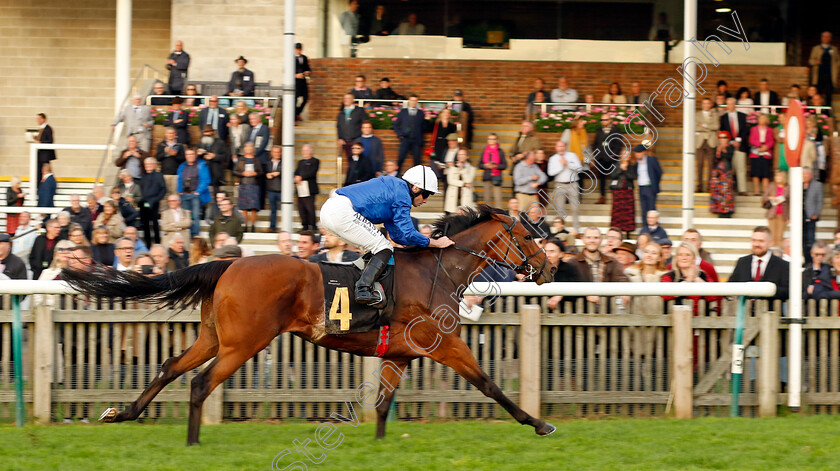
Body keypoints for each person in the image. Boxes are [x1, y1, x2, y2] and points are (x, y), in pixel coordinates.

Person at [320, 165, 453, 304]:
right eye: (426, 195)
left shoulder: (395, 190)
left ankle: (364, 283)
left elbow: (398, 236)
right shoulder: (402, 195)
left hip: (331, 211)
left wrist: (417, 244)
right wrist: (435, 242)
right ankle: (363, 289)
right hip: (341, 211)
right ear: (415, 188)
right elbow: (408, 232)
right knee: (384, 247)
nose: (425, 200)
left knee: (377, 247)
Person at [569, 227, 630, 306]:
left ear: (601, 240)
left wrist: (624, 292)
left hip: (606, 311)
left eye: (596, 238)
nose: (592, 241)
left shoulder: (612, 262)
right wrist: (585, 293)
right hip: (581, 311)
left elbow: (622, 279)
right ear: (583, 239)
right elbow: (568, 283)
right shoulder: (573, 262)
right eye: (588, 237)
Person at [727, 226, 789, 301]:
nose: (756, 244)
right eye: (754, 240)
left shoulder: (783, 265)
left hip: (771, 310)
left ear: (770, 243)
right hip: (744, 310)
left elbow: (787, 291)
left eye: (761, 241)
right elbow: (731, 285)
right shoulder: (742, 262)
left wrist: (764, 292)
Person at [661, 243, 720, 316]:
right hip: (675, 320)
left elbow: (714, 296)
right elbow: (664, 295)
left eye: (688, 255)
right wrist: (688, 281)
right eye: (680, 254)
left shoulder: (703, 276)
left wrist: (698, 280)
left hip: (702, 321)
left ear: (694, 258)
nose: (684, 258)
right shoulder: (669, 276)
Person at [548, 140, 583, 232]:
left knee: (575, 209)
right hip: (559, 184)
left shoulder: (572, 155)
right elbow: (550, 172)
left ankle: (577, 230)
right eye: (559, 146)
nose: (561, 148)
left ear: (565, 147)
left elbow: (580, 168)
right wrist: (561, 166)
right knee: (560, 209)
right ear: (556, 148)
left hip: (573, 184)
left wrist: (568, 164)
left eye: (562, 146)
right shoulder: (553, 158)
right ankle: (560, 230)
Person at [591, 115, 626, 204]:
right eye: (602, 120)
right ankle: (602, 196)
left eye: (605, 120)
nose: (603, 121)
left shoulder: (616, 130)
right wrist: (596, 155)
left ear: (610, 120)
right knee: (601, 178)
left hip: (612, 158)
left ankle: (615, 197)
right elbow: (595, 144)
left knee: (614, 177)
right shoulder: (599, 130)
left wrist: (614, 154)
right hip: (601, 158)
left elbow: (619, 144)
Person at [178, 148, 211, 237]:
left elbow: (206, 180)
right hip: (184, 194)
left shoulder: (201, 165)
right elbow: (179, 179)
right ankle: (187, 235)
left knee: (196, 216)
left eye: (192, 154)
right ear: (185, 156)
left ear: (195, 155)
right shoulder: (182, 166)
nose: (190, 156)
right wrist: (180, 191)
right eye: (188, 154)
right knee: (186, 216)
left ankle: (195, 235)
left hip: (195, 194)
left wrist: (198, 192)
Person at [719, 97, 750, 195]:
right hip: (729, 146)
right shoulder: (723, 118)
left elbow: (745, 131)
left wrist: (739, 140)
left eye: (731, 104)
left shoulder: (742, 116)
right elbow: (723, 131)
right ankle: (730, 189)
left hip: (740, 146)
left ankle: (742, 190)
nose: (730, 106)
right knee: (729, 169)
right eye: (728, 104)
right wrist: (731, 141)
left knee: (741, 168)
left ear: (735, 105)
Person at [233, 142, 264, 233]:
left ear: (253, 149)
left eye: (251, 147)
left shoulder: (257, 159)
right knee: (244, 207)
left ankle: (253, 225)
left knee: (254, 207)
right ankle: (245, 225)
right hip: (243, 184)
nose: (249, 149)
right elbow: (234, 171)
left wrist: (256, 173)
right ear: (245, 149)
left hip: (254, 184)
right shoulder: (241, 159)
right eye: (247, 147)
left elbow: (261, 172)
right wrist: (242, 173)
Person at [544, 238, 581, 311]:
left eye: (552, 251)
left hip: (565, 313)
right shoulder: (536, 270)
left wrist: (561, 294)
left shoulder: (570, 269)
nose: (548, 255)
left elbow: (577, 289)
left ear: (561, 254)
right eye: (545, 251)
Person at [393, 95, 425, 172]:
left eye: (415, 101)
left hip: (417, 140)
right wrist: (400, 134)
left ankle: (417, 178)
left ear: (417, 102)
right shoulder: (403, 112)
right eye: (412, 100)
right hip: (405, 139)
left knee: (417, 160)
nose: (413, 102)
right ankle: (396, 175)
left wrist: (427, 120)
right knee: (400, 158)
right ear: (409, 101)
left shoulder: (421, 113)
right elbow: (395, 125)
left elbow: (424, 127)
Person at [138, 157, 166, 247]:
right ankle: (148, 244)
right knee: (145, 224)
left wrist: (156, 199)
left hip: (154, 202)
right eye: (146, 164)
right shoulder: (142, 176)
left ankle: (157, 243)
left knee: (154, 223)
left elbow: (163, 189)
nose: (148, 166)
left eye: (150, 164)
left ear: (154, 165)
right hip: (144, 203)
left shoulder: (159, 175)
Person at [609, 150, 636, 237]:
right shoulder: (616, 165)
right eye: (625, 154)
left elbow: (633, 176)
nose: (627, 156)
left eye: (628, 154)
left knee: (628, 212)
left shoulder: (632, 166)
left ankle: (628, 231)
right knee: (618, 211)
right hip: (618, 191)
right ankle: (616, 230)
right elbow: (613, 176)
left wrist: (625, 170)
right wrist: (621, 169)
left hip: (628, 191)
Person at [634, 145, 662, 228]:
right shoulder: (637, 163)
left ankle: (653, 225)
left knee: (651, 208)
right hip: (641, 187)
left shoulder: (651, 160)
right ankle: (645, 226)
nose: (637, 155)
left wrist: (654, 183)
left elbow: (659, 172)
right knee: (643, 209)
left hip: (650, 187)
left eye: (639, 153)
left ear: (644, 152)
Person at [709, 130, 735, 218]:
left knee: (726, 192)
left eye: (724, 137)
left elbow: (729, 157)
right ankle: (718, 210)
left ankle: (727, 211)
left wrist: (722, 149)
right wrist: (718, 151)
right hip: (717, 173)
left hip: (726, 173)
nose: (722, 139)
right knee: (717, 192)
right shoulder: (716, 148)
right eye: (720, 137)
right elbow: (713, 160)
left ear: (728, 139)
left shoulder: (730, 147)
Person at [695, 97, 719, 192]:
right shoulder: (697, 115)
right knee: (700, 164)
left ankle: (710, 185)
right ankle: (699, 185)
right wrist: (709, 128)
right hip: (700, 142)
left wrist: (704, 125)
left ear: (710, 105)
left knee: (711, 165)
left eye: (707, 103)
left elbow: (716, 126)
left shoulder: (715, 115)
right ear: (702, 105)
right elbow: (696, 127)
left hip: (711, 141)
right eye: (703, 103)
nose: (705, 105)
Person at [809, 32, 839, 108]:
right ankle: (816, 110)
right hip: (819, 75)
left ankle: (828, 111)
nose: (826, 38)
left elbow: (838, 61)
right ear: (821, 38)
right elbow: (810, 61)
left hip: (830, 75)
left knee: (829, 94)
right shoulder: (816, 49)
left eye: (828, 37)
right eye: (824, 36)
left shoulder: (834, 49)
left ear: (830, 38)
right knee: (817, 94)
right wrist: (816, 62)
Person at [294, 144, 320, 231]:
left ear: (310, 151)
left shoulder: (315, 161)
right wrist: (296, 177)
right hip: (300, 187)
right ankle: (304, 225)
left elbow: (312, 172)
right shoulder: (300, 162)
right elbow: (296, 172)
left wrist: (301, 177)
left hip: (309, 188)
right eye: (303, 151)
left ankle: (313, 225)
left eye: (306, 150)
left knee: (310, 208)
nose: (304, 152)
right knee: (301, 208)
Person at [197, 125, 229, 193]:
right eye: (205, 132)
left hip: (216, 172)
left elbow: (225, 157)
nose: (206, 133)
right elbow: (197, 157)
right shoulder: (201, 143)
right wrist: (199, 154)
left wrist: (214, 156)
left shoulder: (220, 142)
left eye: (208, 132)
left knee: (216, 192)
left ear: (213, 132)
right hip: (204, 171)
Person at [478, 133, 506, 208]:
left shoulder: (500, 152)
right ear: (487, 140)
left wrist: (496, 166)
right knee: (487, 199)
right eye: (490, 139)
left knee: (498, 199)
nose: (491, 141)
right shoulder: (484, 151)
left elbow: (504, 165)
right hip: (487, 176)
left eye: (493, 139)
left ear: (496, 140)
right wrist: (485, 165)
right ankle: (488, 218)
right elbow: (480, 164)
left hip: (496, 177)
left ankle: (499, 217)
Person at [762, 169, 789, 248]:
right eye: (776, 176)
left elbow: (790, 202)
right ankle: (772, 253)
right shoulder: (772, 186)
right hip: (772, 214)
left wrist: (789, 217)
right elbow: (764, 198)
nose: (777, 177)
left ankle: (779, 254)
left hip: (783, 214)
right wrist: (771, 198)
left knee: (780, 235)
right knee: (772, 235)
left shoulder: (788, 187)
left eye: (779, 176)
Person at [749, 114, 775, 195]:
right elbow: (751, 140)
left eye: (764, 118)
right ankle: (756, 191)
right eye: (761, 118)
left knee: (765, 174)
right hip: (755, 152)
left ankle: (765, 192)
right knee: (755, 173)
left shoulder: (770, 130)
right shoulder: (753, 129)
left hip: (766, 153)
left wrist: (766, 146)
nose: (762, 120)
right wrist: (759, 145)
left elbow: (772, 141)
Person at [444, 149, 476, 214]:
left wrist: (462, 169)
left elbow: (469, 180)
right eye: (459, 154)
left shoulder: (472, 169)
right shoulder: (452, 168)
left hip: (465, 197)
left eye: (462, 154)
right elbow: (450, 181)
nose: (460, 156)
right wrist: (463, 184)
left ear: (467, 156)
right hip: (453, 197)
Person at [338, 93, 368, 160]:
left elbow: (365, 122)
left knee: (359, 159)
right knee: (351, 160)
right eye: (345, 98)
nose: (346, 100)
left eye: (348, 98)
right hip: (346, 141)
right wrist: (340, 138)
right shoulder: (341, 112)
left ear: (353, 100)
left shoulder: (359, 110)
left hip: (357, 139)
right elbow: (339, 126)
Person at [156, 127, 185, 196]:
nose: (170, 135)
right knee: (164, 195)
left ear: (175, 134)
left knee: (176, 195)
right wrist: (166, 153)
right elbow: (158, 158)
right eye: (169, 133)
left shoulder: (180, 145)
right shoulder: (161, 145)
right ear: (166, 134)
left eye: (172, 133)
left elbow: (183, 159)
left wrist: (175, 154)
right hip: (164, 174)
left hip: (176, 175)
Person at [804, 167, 824, 263]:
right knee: (802, 239)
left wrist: (817, 213)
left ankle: (812, 260)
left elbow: (820, 201)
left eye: (807, 174)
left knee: (810, 238)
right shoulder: (799, 185)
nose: (805, 176)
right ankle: (806, 259)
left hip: (811, 215)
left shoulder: (817, 185)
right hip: (801, 216)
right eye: (803, 174)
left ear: (811, 175)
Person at [264, 146, 283, 233]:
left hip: (281, 190)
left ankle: (285, 227)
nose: (277, 154)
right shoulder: (268, 163)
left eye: (278, 152)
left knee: (285, 209)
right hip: (271, 190)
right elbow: (265, 174)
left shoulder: (284, 163)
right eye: (275, 152)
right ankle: (272, 227)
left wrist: (277, 174)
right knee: (273, 210)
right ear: (272, 153)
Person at [34, 113, 56, 185]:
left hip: (45, 155)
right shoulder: (40, 129)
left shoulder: (48, 129)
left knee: (45, 170)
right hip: (40, 154)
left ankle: (46, 184)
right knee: (38, 171)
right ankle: (38, 185)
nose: (38, 120)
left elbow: (50, 141)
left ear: (44, 119)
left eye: (39, 119)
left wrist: (41, 142)